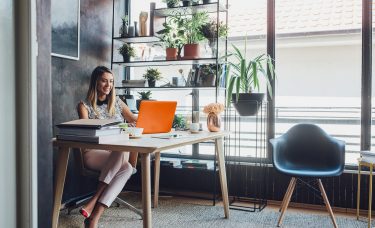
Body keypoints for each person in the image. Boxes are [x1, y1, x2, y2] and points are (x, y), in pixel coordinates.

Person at [77, 66, 137, 228]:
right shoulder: (84, 105)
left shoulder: (117, 102)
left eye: (111, 81)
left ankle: (93, 217)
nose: (108, 85)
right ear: (95, 82)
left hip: (117, 153)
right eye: (104, 80)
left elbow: (134, 119)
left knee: (126, 167)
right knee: (125, 163)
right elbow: (86, 133)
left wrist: (135, 122)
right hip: (94, 153)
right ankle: (95, 201)